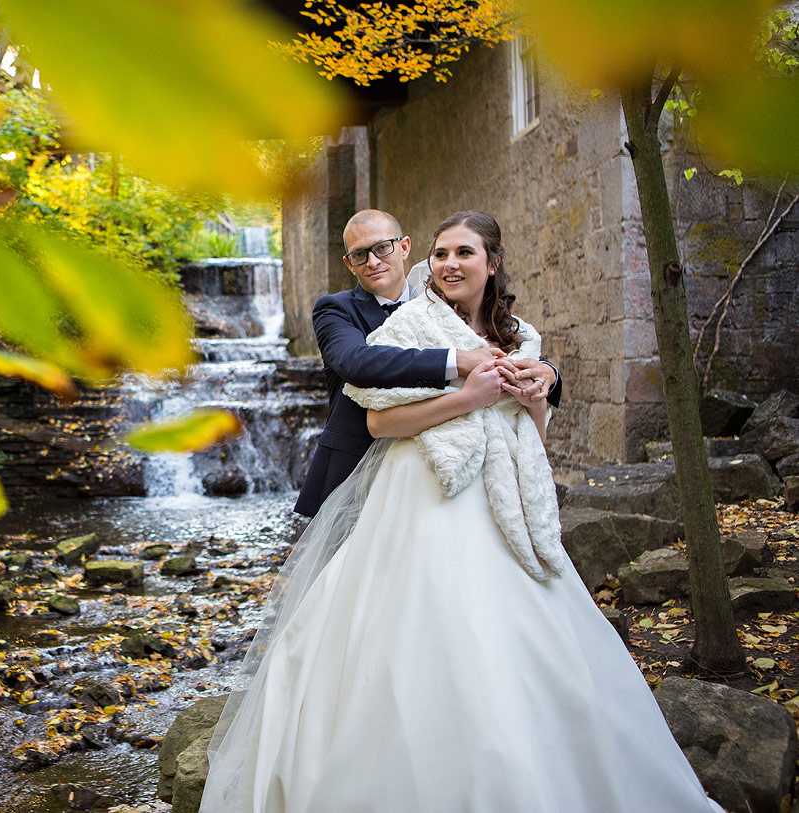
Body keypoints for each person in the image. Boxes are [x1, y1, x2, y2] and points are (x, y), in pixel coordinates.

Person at [200, 211, 722, 812]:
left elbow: (533, 434)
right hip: (418, 488)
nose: (449, 264)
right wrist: (465, 388)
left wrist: (539, 389)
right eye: (443, 254)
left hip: (501, 497)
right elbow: (370, 398)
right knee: (394, 626)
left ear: (489, 262)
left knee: (523, 635)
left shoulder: (521, 334)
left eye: (464, 253)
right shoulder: (389, 318)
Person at [293, 209, 559, 518]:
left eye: (382, 248)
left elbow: (490, 341)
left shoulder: (444, 299)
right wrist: (457, 362)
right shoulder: (335, 309)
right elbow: (356, 362)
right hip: (360, 464)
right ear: (349, 263)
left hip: (454, 466)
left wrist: (549, 372)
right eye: (359, 255)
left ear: (404, 247)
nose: (373, 261)